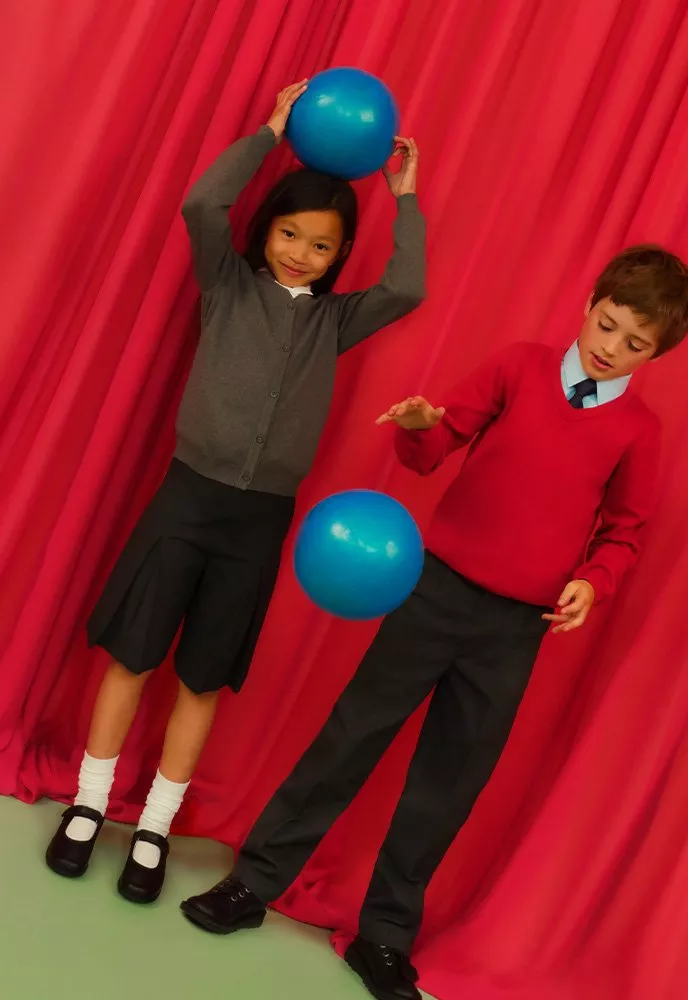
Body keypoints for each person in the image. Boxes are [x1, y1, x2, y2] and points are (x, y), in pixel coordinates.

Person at [180, 245, 688, 1000]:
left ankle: (385, 935)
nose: (609, 346)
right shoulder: (518, 367)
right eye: (607, 323)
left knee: (448, 783)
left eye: (633, 344)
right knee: (350, 738)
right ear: (590, 300)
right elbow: (430, 449)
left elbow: (625, 530)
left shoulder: (638, 433)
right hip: (434, 591)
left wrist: (594, 581)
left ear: (657, 353)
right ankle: (255, 883)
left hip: (515, 629)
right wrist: (423, 424)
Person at [44, 80, 425, 905]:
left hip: (258, 523)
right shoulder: (228, 284)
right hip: (186, 499)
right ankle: (87, 804)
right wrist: (271, 132)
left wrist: (407, 198)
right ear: (267, 232)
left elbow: (409, 290)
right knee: (133, 655)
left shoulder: (335, 321)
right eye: (290, 234)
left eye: (321, 247)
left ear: (337, 258)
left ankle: (155, 823)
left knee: (204, 676)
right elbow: (201, 204)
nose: (300, 253)